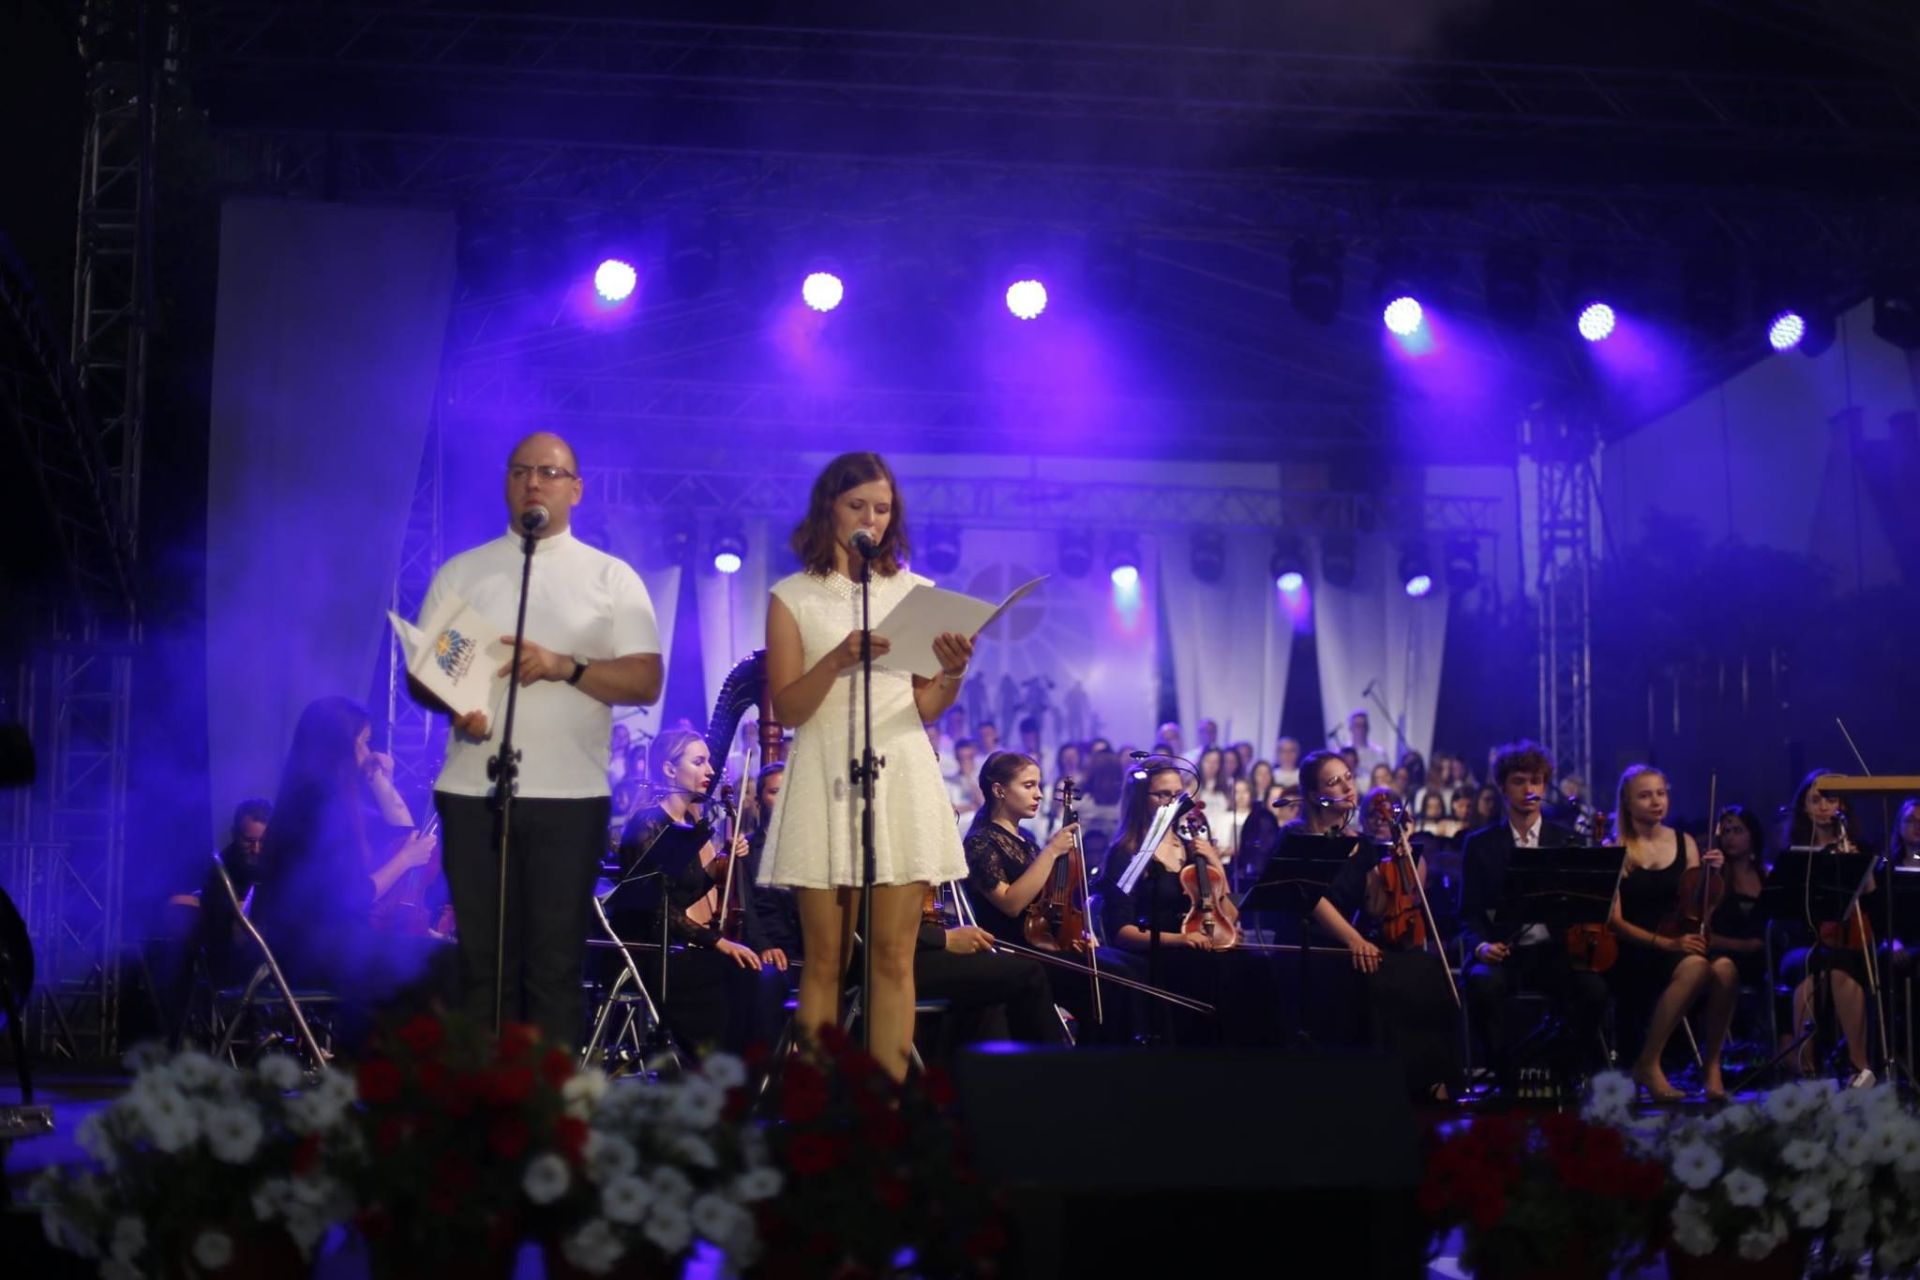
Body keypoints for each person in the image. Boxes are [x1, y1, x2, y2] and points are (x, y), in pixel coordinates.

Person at [411, 433, 662, 1049]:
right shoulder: (464, 572)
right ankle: (480, 1097)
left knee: (553, 968)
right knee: (481, 966)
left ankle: (547, 1101)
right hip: (473, 791)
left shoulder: (610, 578)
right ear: (506, 483)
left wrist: (564, 666)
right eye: (521, 470)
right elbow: (423, 678)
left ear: (576, 489)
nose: (534, 482)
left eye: (550, 472)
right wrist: (455, 703)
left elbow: (646, 679)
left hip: (570, 798)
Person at [758, 451, 973, 1082]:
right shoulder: (793, 596)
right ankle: (813, 1106)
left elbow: (924, 705)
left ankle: (884, 1109)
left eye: (882, 509)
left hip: (900, 771)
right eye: (858, 506)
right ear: (829, 507)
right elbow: (788, 709)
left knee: (893, 957)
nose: (871, 520)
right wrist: (836, 660)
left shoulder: (915, 593)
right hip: (825, 770)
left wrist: (953, 672)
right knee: (825, 959)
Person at [251, 698, 444, 1028]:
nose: (369, 753)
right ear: (340, 747)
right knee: (438, 963)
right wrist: (405, 860)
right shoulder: (317, 807)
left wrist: (380, 780)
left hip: (317, 945)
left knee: (428, 958)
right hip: (312, 951)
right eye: (364, 742)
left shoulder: (315, 798)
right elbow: (355, 896)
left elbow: (402, 829)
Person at [613, 729, 784, 1057]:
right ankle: (727, 1069)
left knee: (765, 978)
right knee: (749, 978)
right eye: (699, 762)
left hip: (681, 946)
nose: (710, 770)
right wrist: (719, 942)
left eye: (709, 762)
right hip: (656, 953)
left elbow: (682, 891)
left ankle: (754, 1071)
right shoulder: (647, 824)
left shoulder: (690, 826)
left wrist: (725, 864)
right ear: (669, 769)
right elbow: (655, 907)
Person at [962, 750, 1144, 1043]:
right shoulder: (980, 843)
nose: (1038, 794)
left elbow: (1049, 903)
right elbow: (1011, 904)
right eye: (1028, 785)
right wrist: (1051, 851)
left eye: (1038, 785)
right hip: (1017, 951)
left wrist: (1074, 933)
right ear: (999, 790)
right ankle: (1101, 1057)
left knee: (1132, 968)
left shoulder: (1027, 841)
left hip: (1047, 943)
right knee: (1112, 982)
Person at [1459, 740, 1608, 1097]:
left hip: (1555, 952)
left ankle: (1558, 1065)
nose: (1530, 789)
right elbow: (1467, 914)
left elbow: (1582, 907)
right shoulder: (1479, 844)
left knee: (1595, 990)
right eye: (1520, 781)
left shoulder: (1568, 840)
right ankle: (1506, 1079)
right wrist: (1481, 947)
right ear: (1502, 786)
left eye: (1537, 781)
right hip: (1504, 953)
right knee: (1482, 985)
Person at [1099, 758, 1282, 1046]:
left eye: (1178, 794)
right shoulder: (1126, 854)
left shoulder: (1190, 848)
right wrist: (1182, 939)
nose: (1174, 802)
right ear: (1140, 800)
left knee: (1259, 966)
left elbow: (1228, 917)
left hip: (1196, 950)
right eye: (1163, 795)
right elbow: (1121, 933)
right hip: (1160, 953)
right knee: (1214, 974)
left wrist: (1215, 865)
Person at [1606, 766, 1737, 1102]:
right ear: (1627, 802)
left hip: (1679, 942)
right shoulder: (1615, 846)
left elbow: (1698, 910)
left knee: (1725, 969)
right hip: (1636, 948)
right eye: (1645, 795)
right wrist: (1667, 943)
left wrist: (1713, 875)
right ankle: (1648, 1063)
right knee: (1696, 966)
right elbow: (1614, 922)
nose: (1656, 801)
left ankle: (1711, 1066)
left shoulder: (1685, 842)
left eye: (1661, 793)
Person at [1777, 770, 1877, 1085]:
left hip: (1850, 942)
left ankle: (1858, 1066)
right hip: (1804, 943)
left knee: (1835, 969)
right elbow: (1784, 905)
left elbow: (1872, 894)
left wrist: (1855, 863)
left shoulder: (1858, 845)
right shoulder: (1795, 851)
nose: (1823, 807)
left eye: (1830, 799)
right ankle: (1808, 1069)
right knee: (1813, 970)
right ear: (1804, 807)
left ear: (1842, 805)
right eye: (1815, 800)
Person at [1345, 710, 1391, 776]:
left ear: (1368, 728)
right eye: (1357, 726)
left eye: (1363, 726)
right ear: (1350, 728)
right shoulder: (1342, 753)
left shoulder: (1379, 753)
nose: (1361, 729)